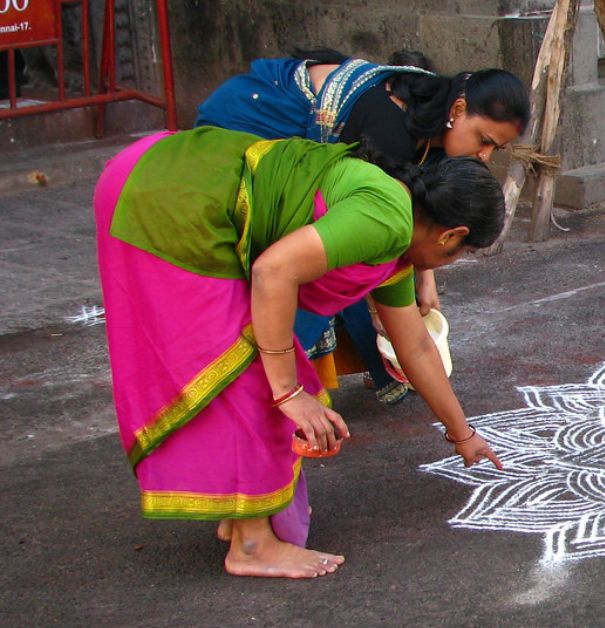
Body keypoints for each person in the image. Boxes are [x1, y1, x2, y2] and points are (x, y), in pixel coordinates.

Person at [95, 125, 504, 578]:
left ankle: (241, 515)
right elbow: (273, 272)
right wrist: (288, 392)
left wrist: (462, 434)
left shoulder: (396, 237)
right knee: (258, 378)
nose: (443, 267)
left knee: (259, 368)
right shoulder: (386, 218)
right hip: (170, 195)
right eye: (456, 255)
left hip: (166, 176)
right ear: (451, 235)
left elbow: (416, 347)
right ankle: (252, 544)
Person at [196, 50, 530, 402]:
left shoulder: (434, 135)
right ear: (458, 110)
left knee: (368, 266)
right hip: (245, 130)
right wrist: (384, 310)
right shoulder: (390, 137)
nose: (485, 156)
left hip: (322, 186)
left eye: (496, 149)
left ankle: (357, 375)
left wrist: (425, 276)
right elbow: (378, 251)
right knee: (331, 270)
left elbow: (419, 226)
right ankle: (261, 389)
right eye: (484, 141)